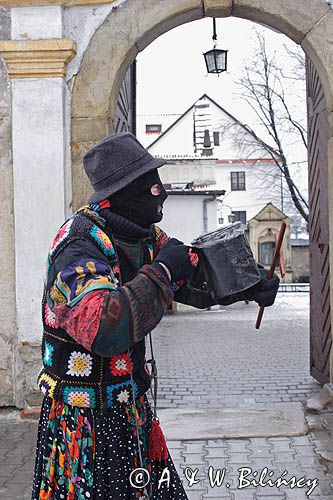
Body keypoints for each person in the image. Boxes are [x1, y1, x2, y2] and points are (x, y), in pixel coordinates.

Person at [31, 132, 279, 499]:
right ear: (123, 193)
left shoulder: (141, 235)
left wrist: (248, 283)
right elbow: (102, 327)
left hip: (128, 411)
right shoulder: (78, 243)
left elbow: (194, 274)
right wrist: (161, 273)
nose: (160, 193)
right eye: (150, 185)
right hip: (83, 426)